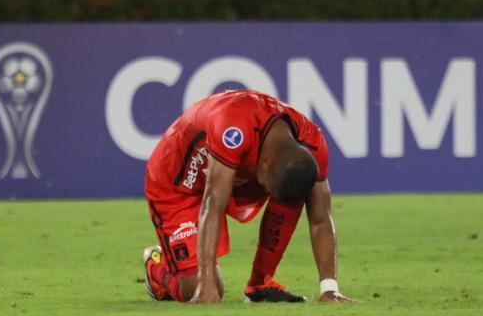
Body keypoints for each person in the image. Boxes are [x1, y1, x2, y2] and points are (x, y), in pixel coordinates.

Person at [142, 89, 355, 304]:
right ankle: (157, 268)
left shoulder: (313, 144)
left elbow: (320, 219)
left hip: (230, 173)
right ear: (267, 163)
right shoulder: (233, 126)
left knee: (295, 192)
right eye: (266, 186)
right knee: (200, 286)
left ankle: (259, 284)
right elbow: (213, 202)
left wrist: (329, 288)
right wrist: (205, 283)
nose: (265, 193)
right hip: (177, 183)